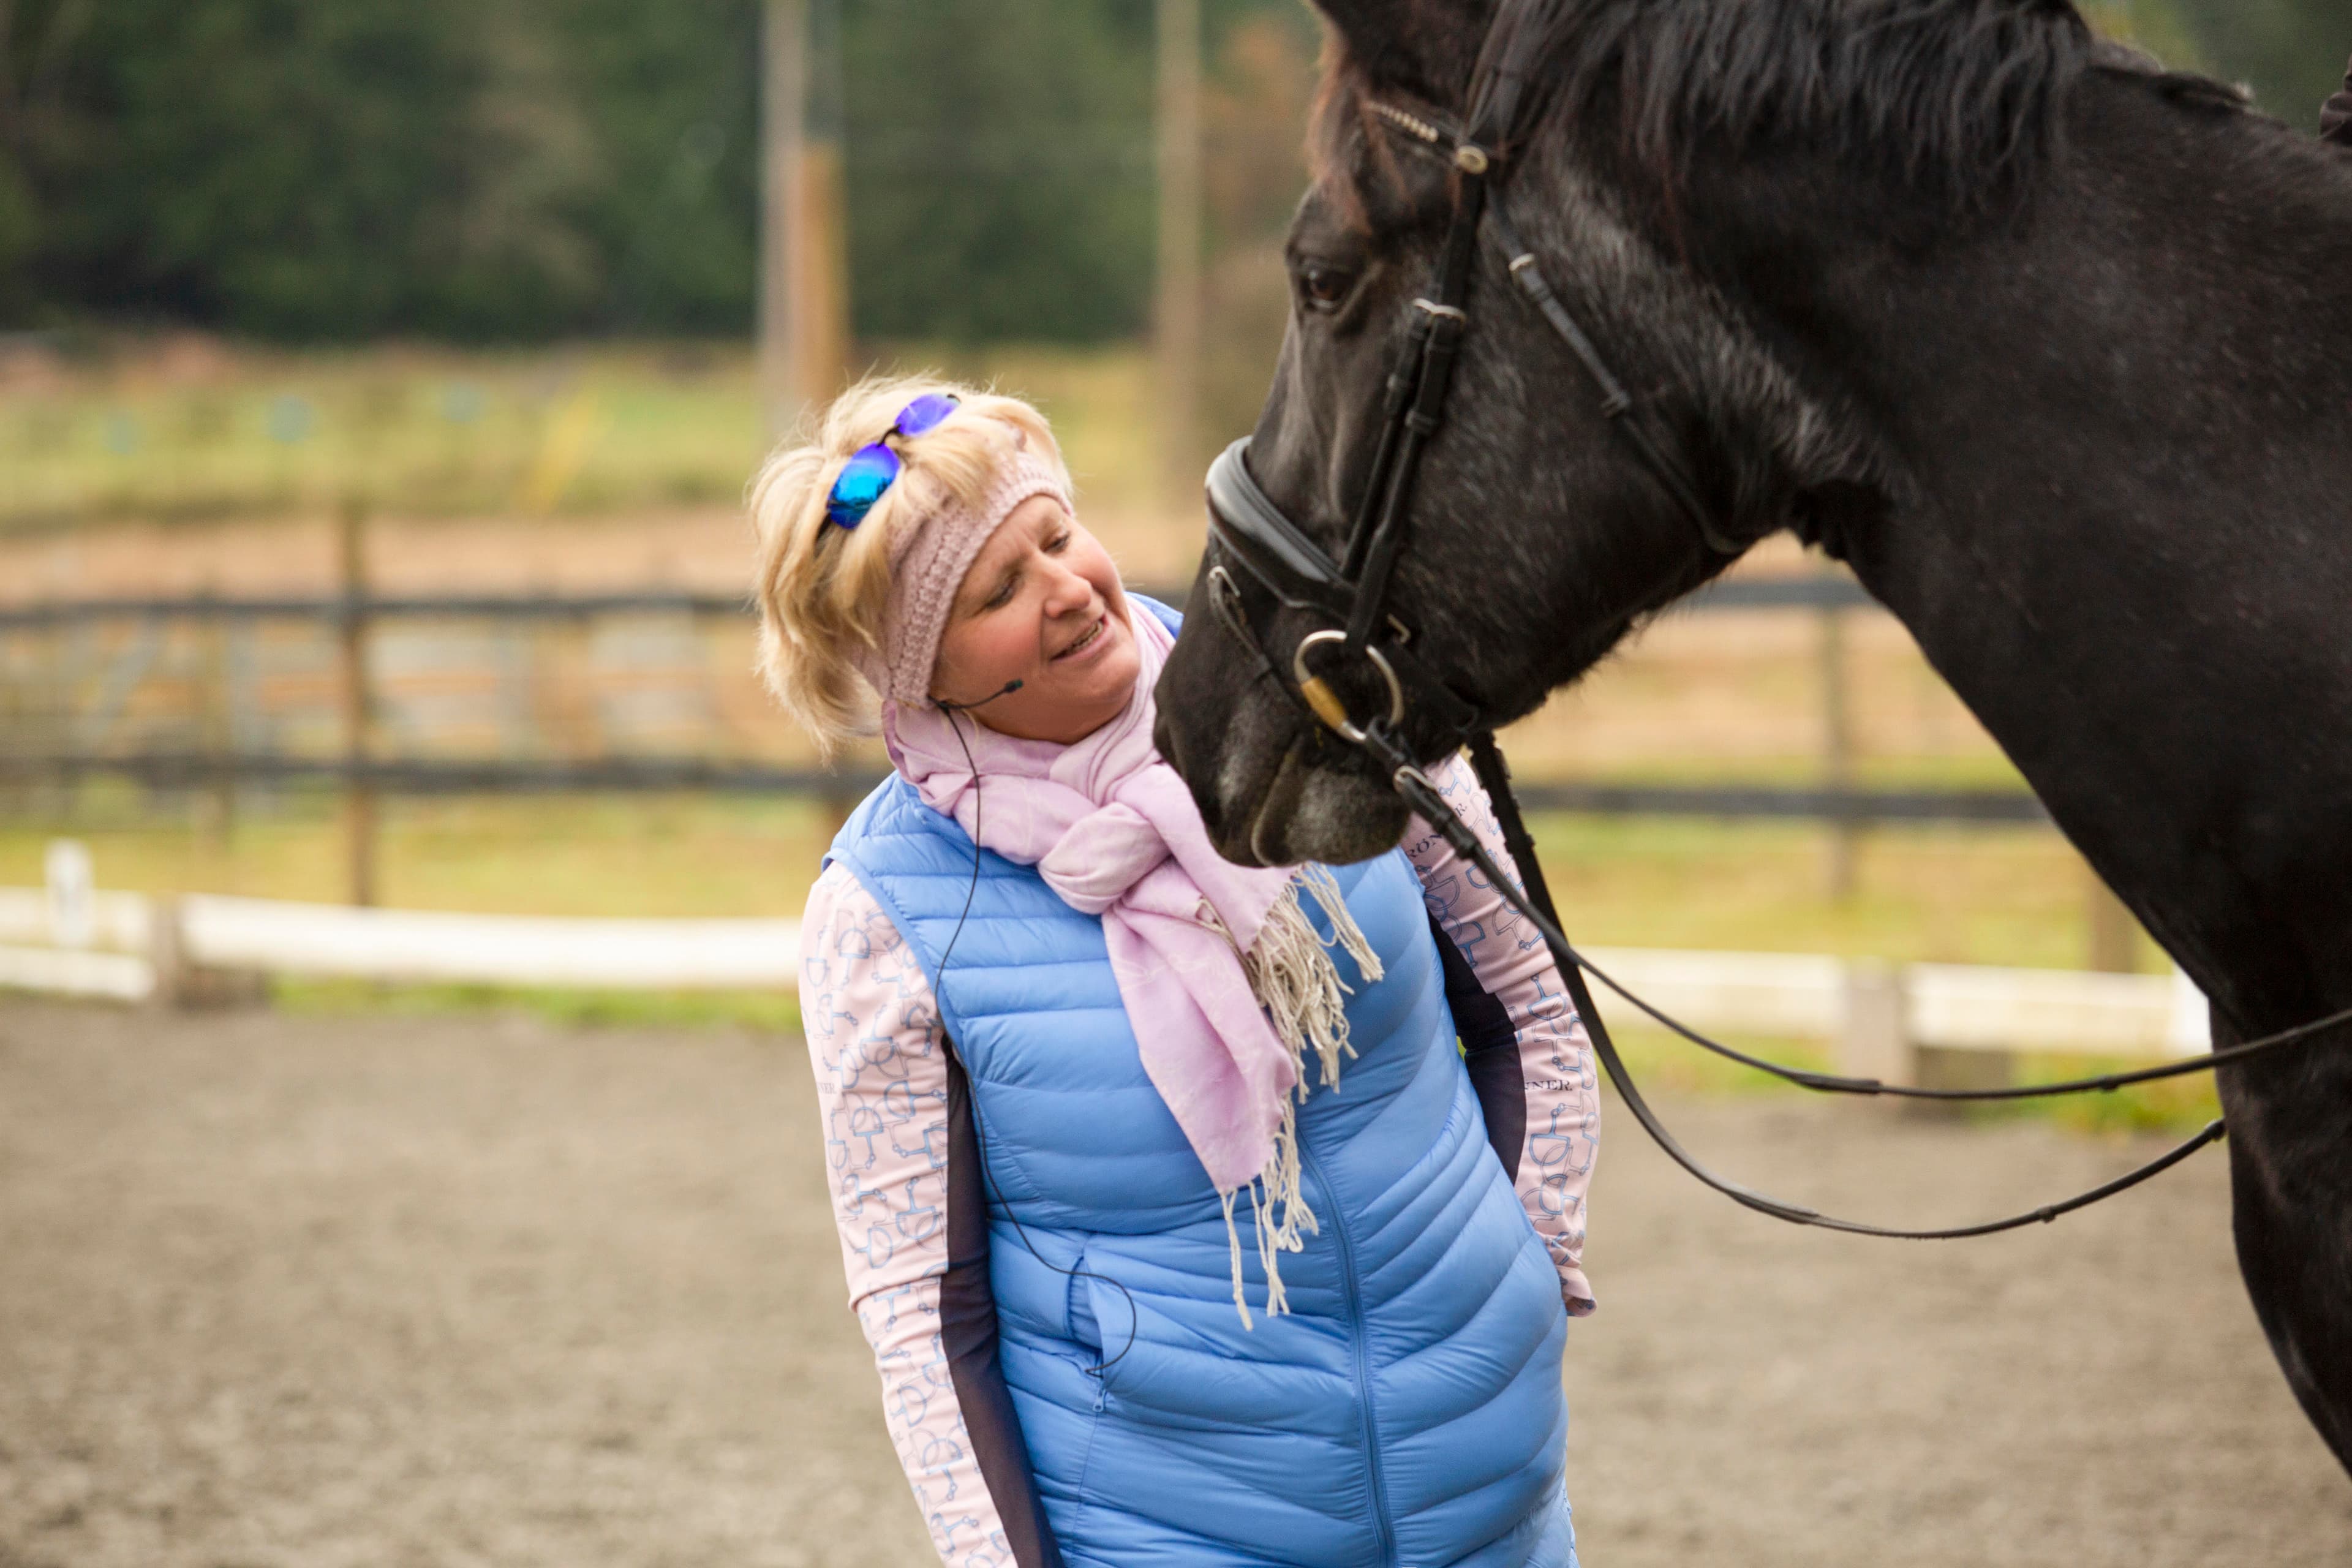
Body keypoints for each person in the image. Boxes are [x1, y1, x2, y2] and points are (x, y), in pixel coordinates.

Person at [751, 376, 1600, 1568]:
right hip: (1165, 1530)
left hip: (1491, 1496)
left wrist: (1524, 1272)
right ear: (922, 673)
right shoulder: (884, 914)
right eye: (997, 591)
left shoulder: (1335, 702)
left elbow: (1529, 1006)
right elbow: (923, 1313)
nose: (1065, 589)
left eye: (1057, 537)